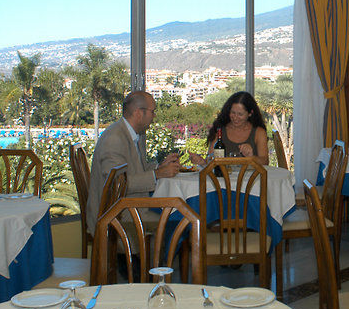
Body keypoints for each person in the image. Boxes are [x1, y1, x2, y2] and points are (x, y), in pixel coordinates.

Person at [86, 91, 181, 235]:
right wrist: (157, 174)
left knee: (177, 215)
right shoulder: (115, 138)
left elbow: (134, 170)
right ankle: (154, 257)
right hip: (117, 216)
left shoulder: (130, 134)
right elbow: (115, 184)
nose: (154, 117)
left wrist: (159, 167)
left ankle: (155, 257)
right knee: (181, 221)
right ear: (138, 113)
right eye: (152, 112)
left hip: (129, 207)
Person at [190, 91, 269, 165]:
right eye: (233, 113)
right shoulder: (220, 130)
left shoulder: (258, 132)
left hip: (251, 179)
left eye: (240, 114)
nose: (235, 117)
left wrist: (251, 157)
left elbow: (265, 162)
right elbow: (211, 159)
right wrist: (202, 161)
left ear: (250, 114)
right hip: (222, 179)